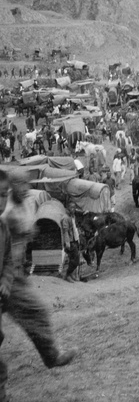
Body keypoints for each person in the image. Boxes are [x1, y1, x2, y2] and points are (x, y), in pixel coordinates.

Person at [1, 168, 77, 376]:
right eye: (20, 185)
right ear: (11, 186)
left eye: (27, 184)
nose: (25, 189)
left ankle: (52, 356)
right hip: (7, 275)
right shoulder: (5, 208)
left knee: (35, 312)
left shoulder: (22, 204)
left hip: (13, 274)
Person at [0, 169, 14, 402]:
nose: (2, 200)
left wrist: (5, 280)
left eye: (4, 195)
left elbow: (9, 260)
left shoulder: (3, 229)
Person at [61, 201, 80, 283]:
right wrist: (67, 242)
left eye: (74, 208)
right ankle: (67, 275)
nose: (73, 209)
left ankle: (70, 274)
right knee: (75, 260)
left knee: (73, 259)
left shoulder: (72, 216)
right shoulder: (65, 218)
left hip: (74, 240)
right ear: (68, 208)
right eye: (72, 208)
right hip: (70, 242)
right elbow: (65, 231)